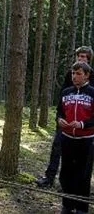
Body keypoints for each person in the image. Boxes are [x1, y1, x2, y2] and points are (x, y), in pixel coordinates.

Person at [36, 46, 94, 188]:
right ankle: (49, 178)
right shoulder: (70, 74)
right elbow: (63, 96)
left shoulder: (91, 78)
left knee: (85, 158)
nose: (81, 59)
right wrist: (60, 117)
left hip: (86, 128)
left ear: (89, 60)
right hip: (66, 122)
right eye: (79, 56)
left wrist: (84, 123)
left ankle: (81, 186)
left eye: (84, 57)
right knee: (57, 147)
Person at [56, 61, 94, 214]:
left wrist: (83, 124)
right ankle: (67, 205)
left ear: (87, 75)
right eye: (73, 73)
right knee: (66, 173)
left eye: (78, 73)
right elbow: (59, 112)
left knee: (83, 174)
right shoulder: (66, 92)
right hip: (67, 138)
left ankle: (81, 207)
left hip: (86, 140)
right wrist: (59, 120)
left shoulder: (92, 93)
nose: (74, 76)